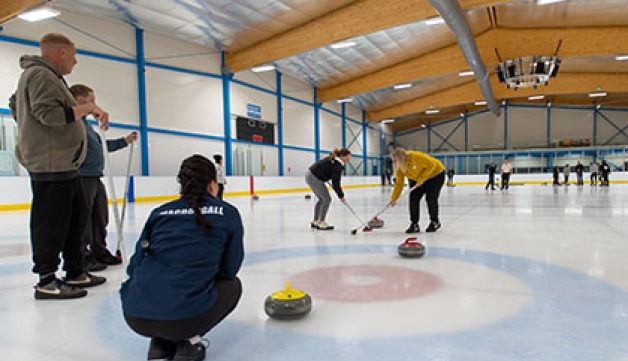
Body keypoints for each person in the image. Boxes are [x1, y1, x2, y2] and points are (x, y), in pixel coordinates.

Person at [9, 33, 108, 299]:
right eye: (73, 55)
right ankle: (47, 280)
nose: (75, 62)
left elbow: (15, 104)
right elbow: (49, 115)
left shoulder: (49, 77)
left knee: (75, 219)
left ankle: (75, 271)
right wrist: (85, 109)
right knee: (51, 223)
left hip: (64, 164)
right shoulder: (40, 75)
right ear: (61, 52)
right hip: (50, 164)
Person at [121, 155, 244, 361]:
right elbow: (229, 270)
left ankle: (160, 344)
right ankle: (188, 343)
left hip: (135, 315)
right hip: (185, 318)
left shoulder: (159, 213)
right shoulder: (227, 213)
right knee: (233, 286)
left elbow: (135, 265)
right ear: (213, 185)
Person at [69, 84, 138, 271]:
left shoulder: (88, 126)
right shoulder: (73, 122)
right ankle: (82, 255)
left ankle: (99, 250)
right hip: (81, 175)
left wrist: (125, 141)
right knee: (83, 219)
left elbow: (103, 147)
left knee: (100, 215)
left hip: (94, 176)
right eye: (92, 100)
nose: (95, 105)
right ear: (81, 100)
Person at [387, 148, 445, 233]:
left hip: (435, 175)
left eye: (395, 161)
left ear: (401, 159)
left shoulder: (417, 156)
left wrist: (421, 180)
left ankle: (435, 221)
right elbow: (399, 184)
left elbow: (431, 165)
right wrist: (394, 199)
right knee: (413, 198)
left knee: (431, 197)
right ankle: (414, 224)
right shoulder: (400, 168)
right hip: (417, 178)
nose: (394, 163)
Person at [305, 148, 351, 230]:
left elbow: (325, 169)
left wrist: (324, 176)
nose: (348, 160)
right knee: (327, 199)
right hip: (314, 177)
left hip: (310, 175)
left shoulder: (333, 160)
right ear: (342, 156)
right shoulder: (337, 165)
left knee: (321, 199)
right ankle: (322, 222)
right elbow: (336, 183)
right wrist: (341, 196)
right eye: (347, 158)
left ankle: (316, 220)